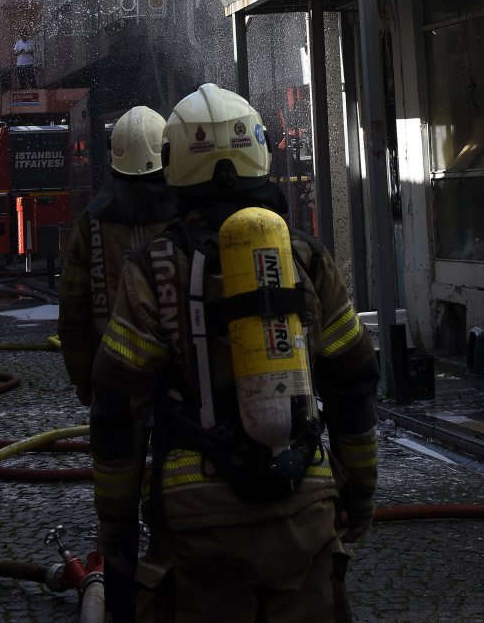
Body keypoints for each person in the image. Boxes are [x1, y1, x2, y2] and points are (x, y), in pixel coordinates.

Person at [90, 83, 379, 622]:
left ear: (174, 163)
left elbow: (115, 409)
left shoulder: (153, 270)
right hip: (304, 507)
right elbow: (355, 380)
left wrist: (117, 534)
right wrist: (358, 495)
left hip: (199, 527)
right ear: (260, 154)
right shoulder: (307, 258)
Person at [58, 106, 177, 406]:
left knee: (117, 454)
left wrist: (82, 378)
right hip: (179, 378)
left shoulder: (90, 223)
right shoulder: (186, 215)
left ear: (114, 153)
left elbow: (73, 310)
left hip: (112, 377)